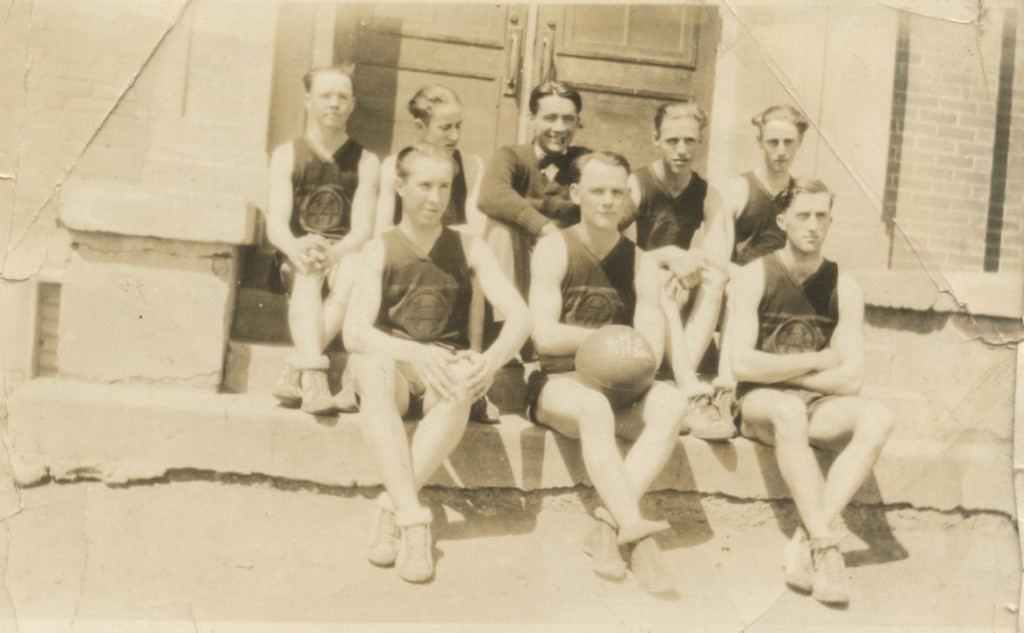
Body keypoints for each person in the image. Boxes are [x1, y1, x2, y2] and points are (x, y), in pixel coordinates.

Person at [342, 144, 531, 583]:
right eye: (424, 185)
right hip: (398, 369)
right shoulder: (379, 248)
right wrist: (417, 352)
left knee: (462, 380)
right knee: (372, 367)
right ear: (401, 186)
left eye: (444, 186)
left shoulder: (468, 246)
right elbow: (355, 333)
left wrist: (489, 361)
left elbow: (521, 315)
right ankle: (414, 517)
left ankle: (392, 509)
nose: (435, 197)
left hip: (444, 373)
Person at [528, 151, 688, 594]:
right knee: (593, 404)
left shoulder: (641, 262)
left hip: (623, 383)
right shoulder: (555, 247)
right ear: (577, 194)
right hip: (560, 384)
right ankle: (637, 533)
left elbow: (651, 351)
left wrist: (618, 354)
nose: (607, 200)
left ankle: (607, 523)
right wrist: (609, 342)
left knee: (672, 402)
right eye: (597, 191)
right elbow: (543, 336)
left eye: (617, 192)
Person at [728, 179, 894, 606]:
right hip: (759, 404)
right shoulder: (754, 275)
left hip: (812, 401)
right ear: (783, 221)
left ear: (831, 221)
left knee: (878, 417)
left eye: (822, 215)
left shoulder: (843, 284)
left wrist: (786, 374)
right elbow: (742, 365)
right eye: (803, 215)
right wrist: (817, 361)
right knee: (787, 409)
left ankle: (807, 537)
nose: (813, 225)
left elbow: (851, 379)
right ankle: (826, 543)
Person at [266, 65, 379, 414]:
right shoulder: (288, 153)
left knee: (352, 270)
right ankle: (315, 376)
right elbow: (276, 226)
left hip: (342, 253)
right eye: (326, 95)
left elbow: (362, 231)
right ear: (308, 101)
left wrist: (334, 254)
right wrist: (299, 248)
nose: (334, 103)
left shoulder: (366, 160)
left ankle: (298, 367)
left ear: (352, 104)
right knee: (307, 272)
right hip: (297, 254)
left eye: (342, 97)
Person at [624, 101, 733, 440]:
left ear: (700, 142)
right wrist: (669, 256)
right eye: (673, 141)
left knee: (714, 280)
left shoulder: (706, 192)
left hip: (679, 285)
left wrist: (690, 264)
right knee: (658, 280)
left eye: (690, 141)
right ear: (656, 139)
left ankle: (675, 377)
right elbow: (621, 254)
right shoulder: (638, 183)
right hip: (638, 288)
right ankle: (690, 389)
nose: (682, 150)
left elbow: (718, 258)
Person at [711, 105, 812, 424]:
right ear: (760, 142)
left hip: (781, 289)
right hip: (737, 283)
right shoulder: (738, 189)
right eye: (773, 143)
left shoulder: (801, 195)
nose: (781, 152)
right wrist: (744, 276)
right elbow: (716, 257)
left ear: (799, 144)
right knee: (744, 288)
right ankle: (724, 387)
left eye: (788, 143)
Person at [374, 85, 489, 361]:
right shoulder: (394, 165)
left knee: (478, 267)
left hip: (451, 257)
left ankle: (472, 354)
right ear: (419, 126)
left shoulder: (471, 164)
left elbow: (478, 227)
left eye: (459, 126)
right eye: (445, 127)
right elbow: (381, 228)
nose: (455, 136)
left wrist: (431, 235)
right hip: (404, 254)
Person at [477, 81, 590, 301]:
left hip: (568, 266)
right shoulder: (513, 156)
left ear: (577, 123)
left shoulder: (583, 161)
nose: (559, 129)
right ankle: (504, 324)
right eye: (550, 118)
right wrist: (545, 229)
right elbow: (491, 195)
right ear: (531, 119)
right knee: (499, 228)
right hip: (518, 267)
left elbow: (625, 205)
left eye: (568, 119)